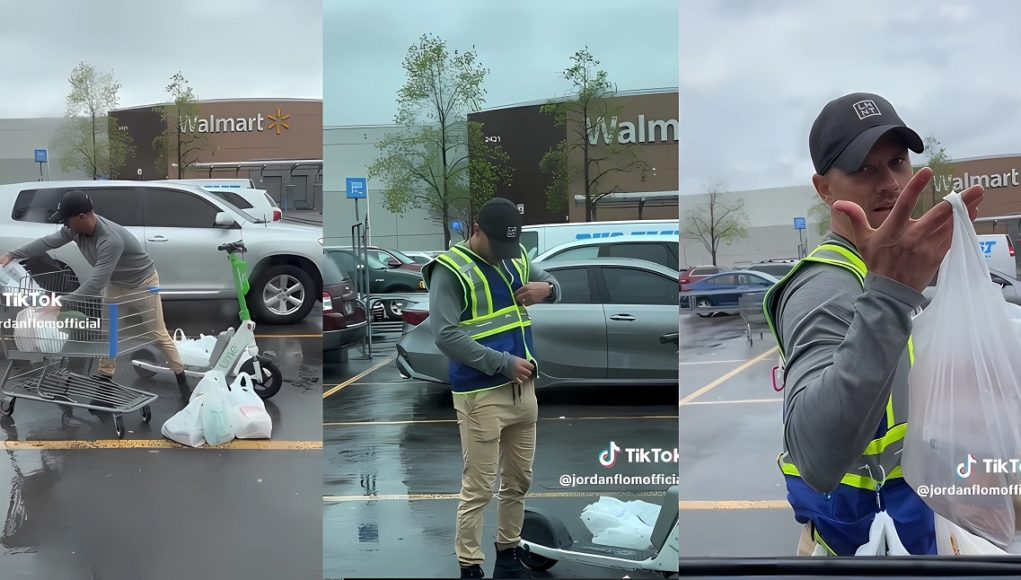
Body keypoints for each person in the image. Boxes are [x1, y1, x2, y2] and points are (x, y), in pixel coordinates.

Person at [762, 93, 984, 556]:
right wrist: (888, 293)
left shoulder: (898, 269)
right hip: (866, 553)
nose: (890, 183)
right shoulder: (826, 286)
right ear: (824, 189)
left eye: (898, 162)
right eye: (864, 168)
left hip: (928, 534)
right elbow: (816, 457)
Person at [421, 197, 561, 579]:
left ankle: (509, 550)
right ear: (476, 230)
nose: (504, 255)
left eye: (509, 247)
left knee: (519, 481)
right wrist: (501, 363)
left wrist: (546, 289)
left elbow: (552, 281)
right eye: (497, 245)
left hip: (524, 391)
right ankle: (470, 565)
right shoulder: (451, 270)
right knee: (479, 487)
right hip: (480, 396)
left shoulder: (514, 256)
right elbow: (445, 335)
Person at [0, 190, 189, 398]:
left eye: (67, 221)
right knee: (109, 333)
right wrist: (12, 254)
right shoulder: (75, 230)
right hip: (116, 284)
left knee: (157, 333)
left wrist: (61, 302)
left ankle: (181, 379)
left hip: (142, 284)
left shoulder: (110, 240)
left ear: (82, 217)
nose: (65, 226)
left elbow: (95, 283)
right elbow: (47, 242)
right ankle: (104, 377)